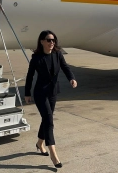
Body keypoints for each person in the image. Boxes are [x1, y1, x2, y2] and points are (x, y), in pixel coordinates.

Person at [24, 30, 77, 168]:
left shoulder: (58, 54)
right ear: (42, 41)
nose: (52, 42)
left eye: (53, 40)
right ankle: (54, 155)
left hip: (53, 92)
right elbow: (29, 76)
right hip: (40, 93)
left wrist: (71, 78)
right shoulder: (36, 58)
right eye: (48, 40)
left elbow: (65, 67)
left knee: (46, 119)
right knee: (49, 120)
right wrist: (27, 93)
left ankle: (39, 143)